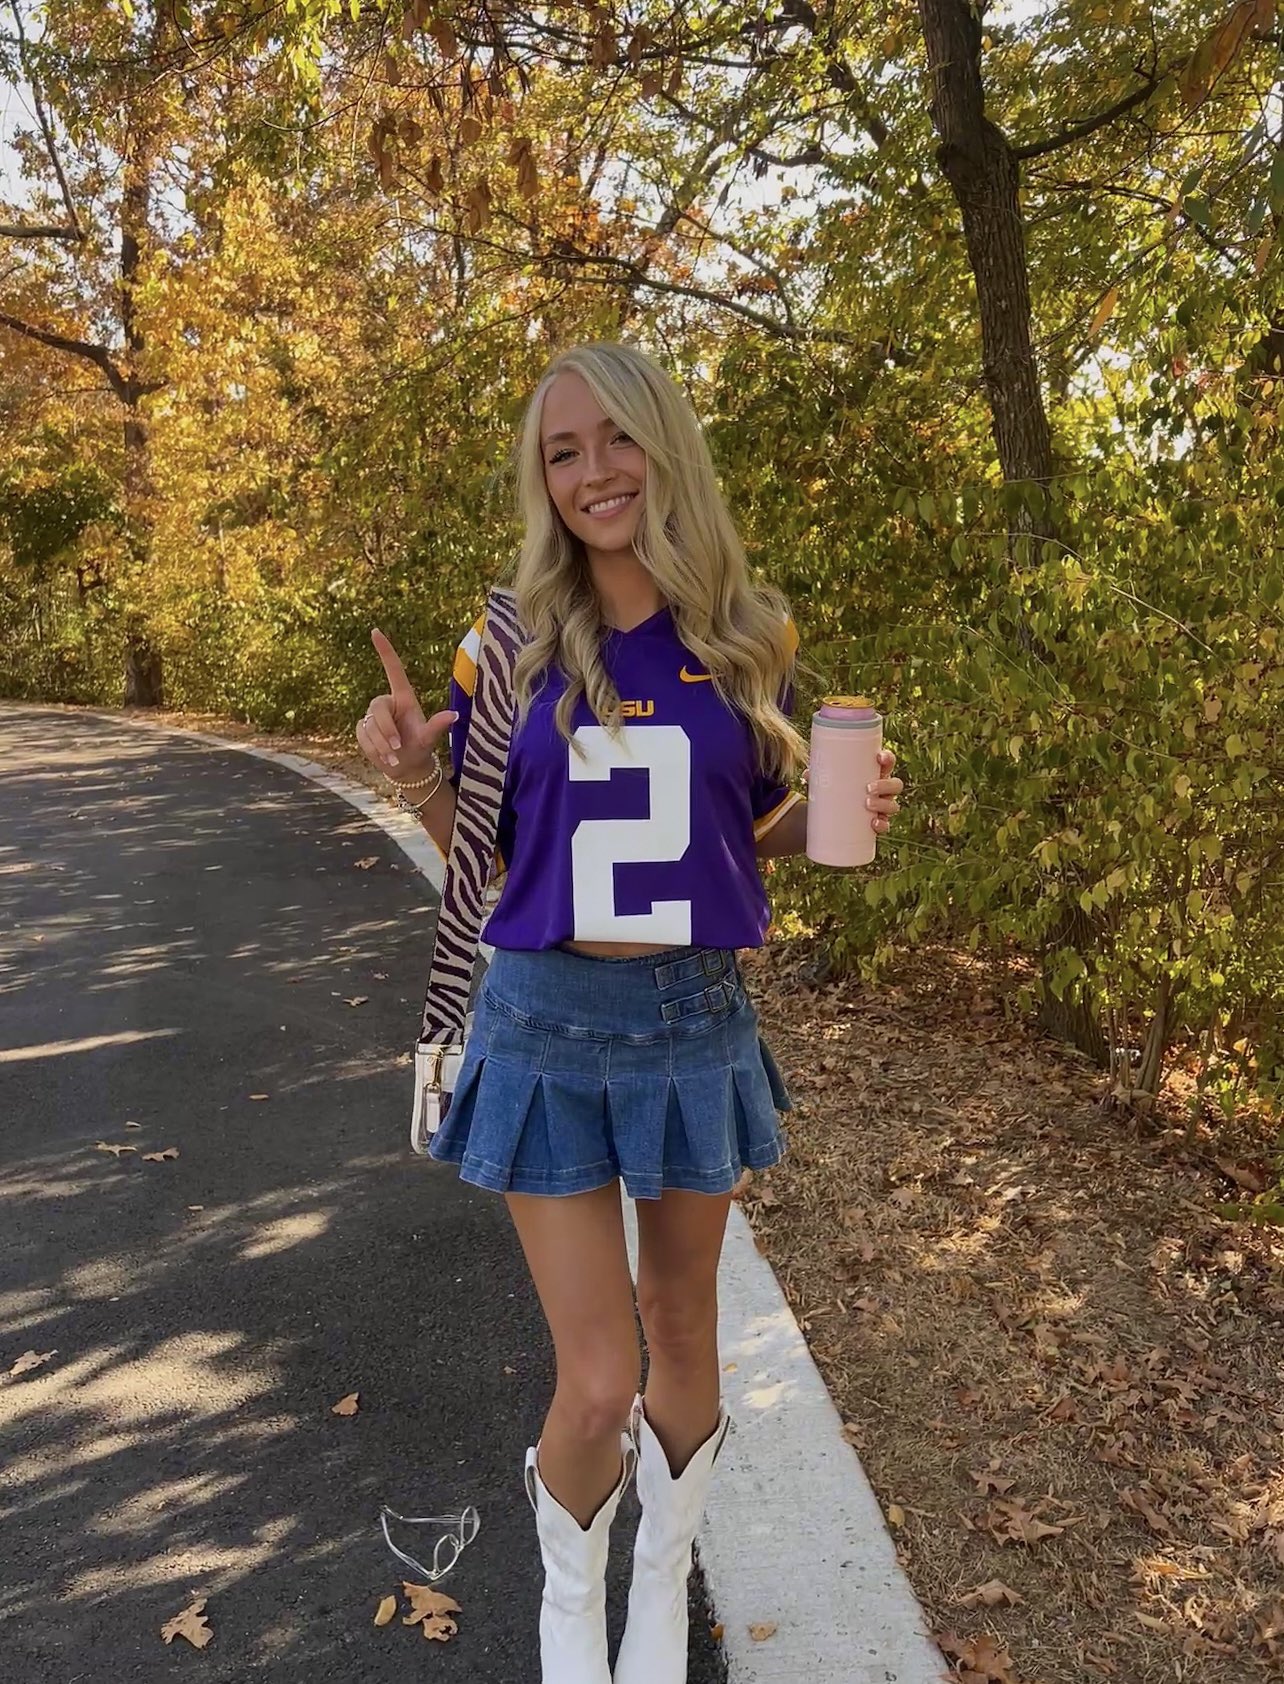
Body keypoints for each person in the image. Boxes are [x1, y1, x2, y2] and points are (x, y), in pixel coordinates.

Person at [355, 342, 902, 1684]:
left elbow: (740, 831)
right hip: (541, 1023)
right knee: (598, 1381)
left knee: (685, 1330)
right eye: (563, 451)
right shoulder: (505, 645)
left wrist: (843, 817)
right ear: (542, 480)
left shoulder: (748, 636)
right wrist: (417, 775)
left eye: (616, 440)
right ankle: (570, 1601)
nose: (593, 471)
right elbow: (483, 857)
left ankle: (662, 1585)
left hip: (690, 1021)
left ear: (664, 449)